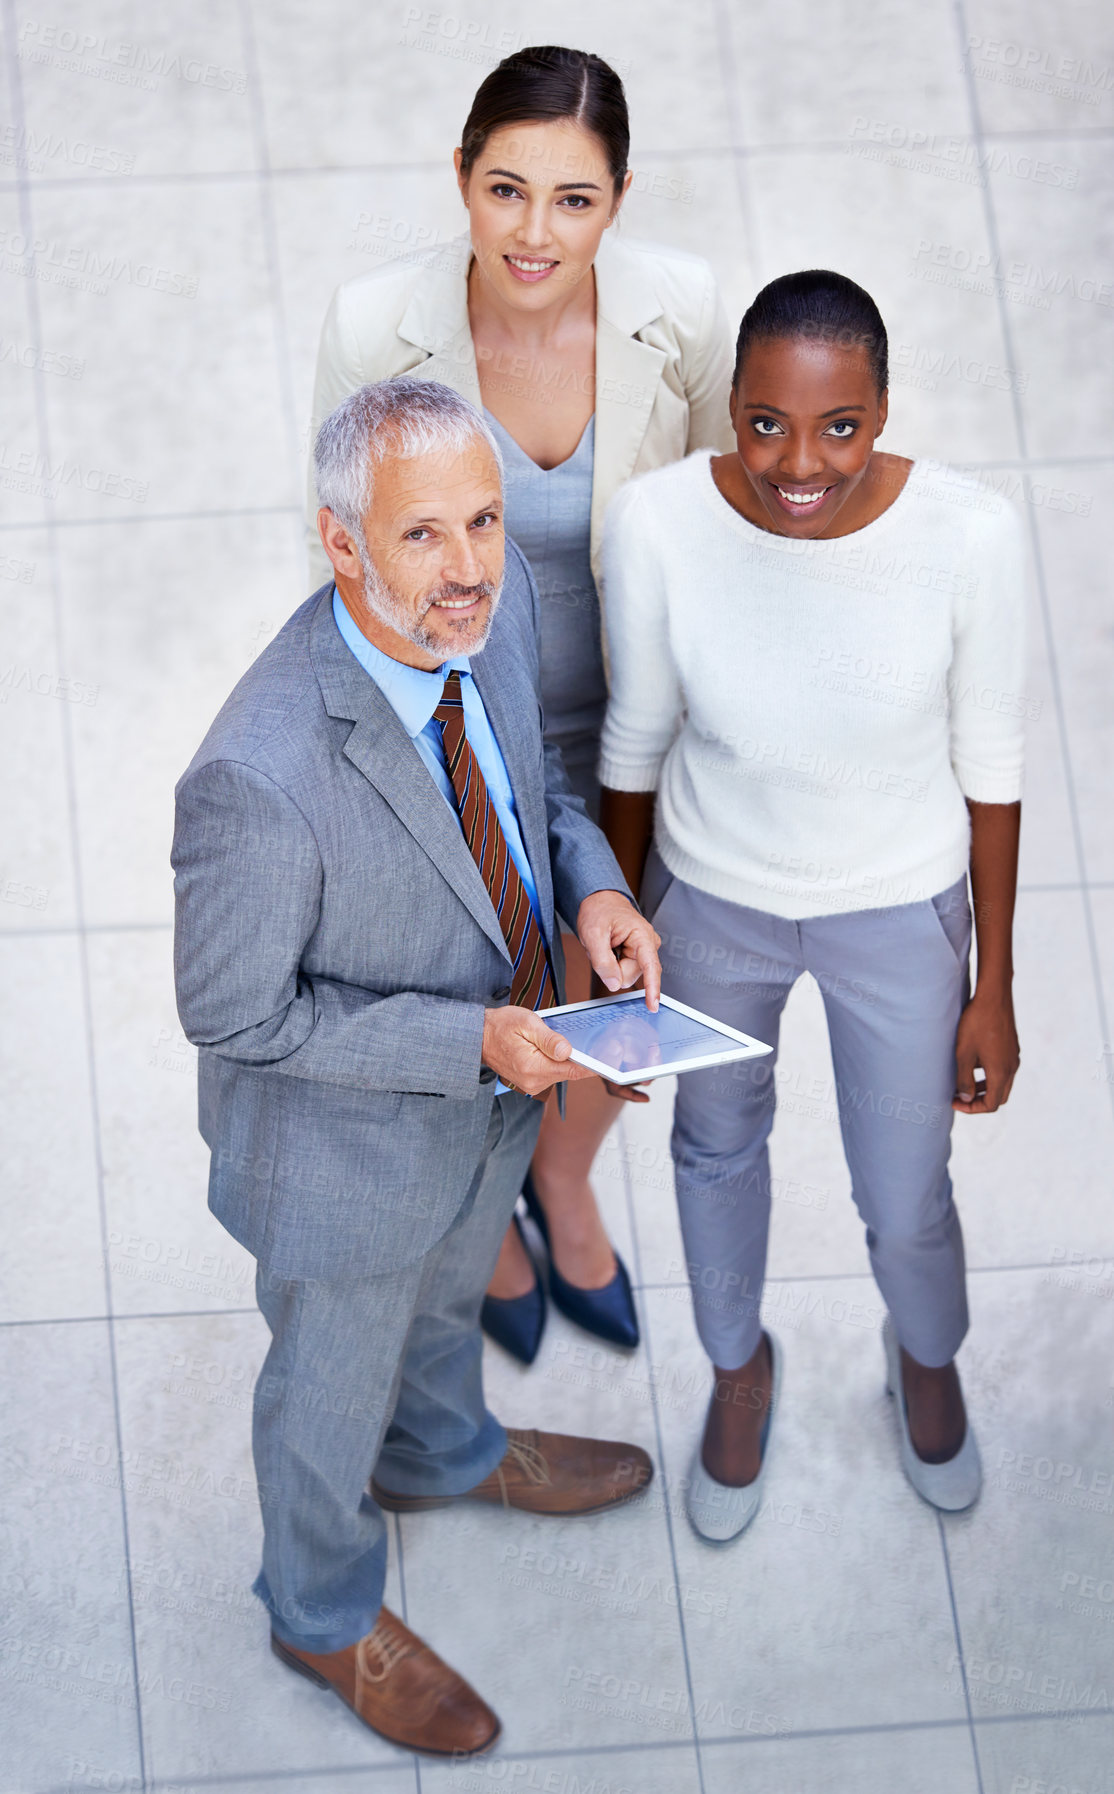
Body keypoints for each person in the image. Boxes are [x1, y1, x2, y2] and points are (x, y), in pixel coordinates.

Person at [172, 379, 662, 1756]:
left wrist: (596, 896)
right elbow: (233, 1016)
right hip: (345, 1163)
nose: (465, 571)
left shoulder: (489, 631)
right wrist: (470, 1042)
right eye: (422, 537)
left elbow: (540, 799)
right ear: (340, 543)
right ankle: (320, 1610)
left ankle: (441, 1454)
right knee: (327, 1392)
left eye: (485, 524)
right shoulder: (256, 777)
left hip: (488, 1106)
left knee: (447, 1306)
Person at [307, 44, 736, 1363]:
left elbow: (725, 519)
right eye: (503, 190)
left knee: (644, 974)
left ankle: (562, 1175)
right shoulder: (378, 325)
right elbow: (347, 543)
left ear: (617, 198)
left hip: (630, 717)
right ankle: (492, 1204)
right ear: (459, 176)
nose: (533, 233)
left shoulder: (685, 309)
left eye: (572, 199)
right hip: (453, 714)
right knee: (469, 979)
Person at [597, 271, 1026, 1542]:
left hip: (897, 907)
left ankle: (927, 1356)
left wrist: (990, 983)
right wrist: (613, 952)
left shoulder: (970, 535)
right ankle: (739, 1368)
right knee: (712, 1149)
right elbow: (636, 735)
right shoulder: (658, 521)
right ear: (728, 405)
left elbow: (989, 763)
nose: (799, 462)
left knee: (905, 1190)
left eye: (839, 426)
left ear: (883, 410)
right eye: (766, 421)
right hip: (711, 898)